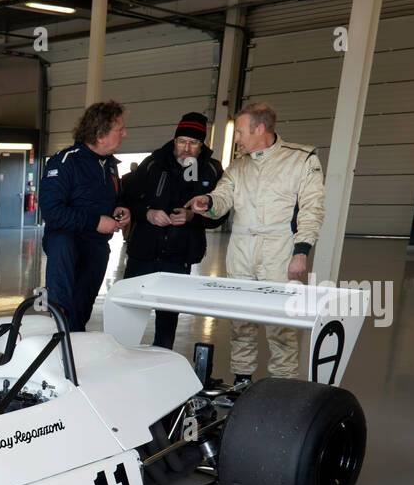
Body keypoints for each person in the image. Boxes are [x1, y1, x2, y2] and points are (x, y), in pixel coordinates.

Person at [185, 102, 324, 381]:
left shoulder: (302, 159)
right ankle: (242, 380)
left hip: (280, 250)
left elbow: (312, 209)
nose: (236, 139)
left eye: (239, 132)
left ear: (260, 129)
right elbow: (223, 196)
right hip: (241, 250)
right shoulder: (239, 166)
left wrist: (301, 252)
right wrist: (208, 201)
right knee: (241, 321)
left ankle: (281, 384)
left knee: (281, 324)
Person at [118, 112, 226, 350]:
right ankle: (120, 353)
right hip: (143, 252)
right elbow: (127, 199)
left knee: (167, 319)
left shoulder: (211, 169)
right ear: (175, 139)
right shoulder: (154, 163)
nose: (186, 148)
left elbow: (221, 214)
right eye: (181, 141)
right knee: (128, 310)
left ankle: (162, 358)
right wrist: (147, 213)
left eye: (193, 143)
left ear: (202, 143)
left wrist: (193, 217)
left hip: (179, 256)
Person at [37, 101, 132, 332]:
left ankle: (73, 360)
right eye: (119, 129)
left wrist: (121, 208)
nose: (124, 134)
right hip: (66, 247)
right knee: (60, 312)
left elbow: (112, 197)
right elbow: (52, 212)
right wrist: (96, 221)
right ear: (100, 135)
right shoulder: (65, 162)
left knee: (81, 313)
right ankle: (55, 355)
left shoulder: (108, 164)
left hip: (96, 247)